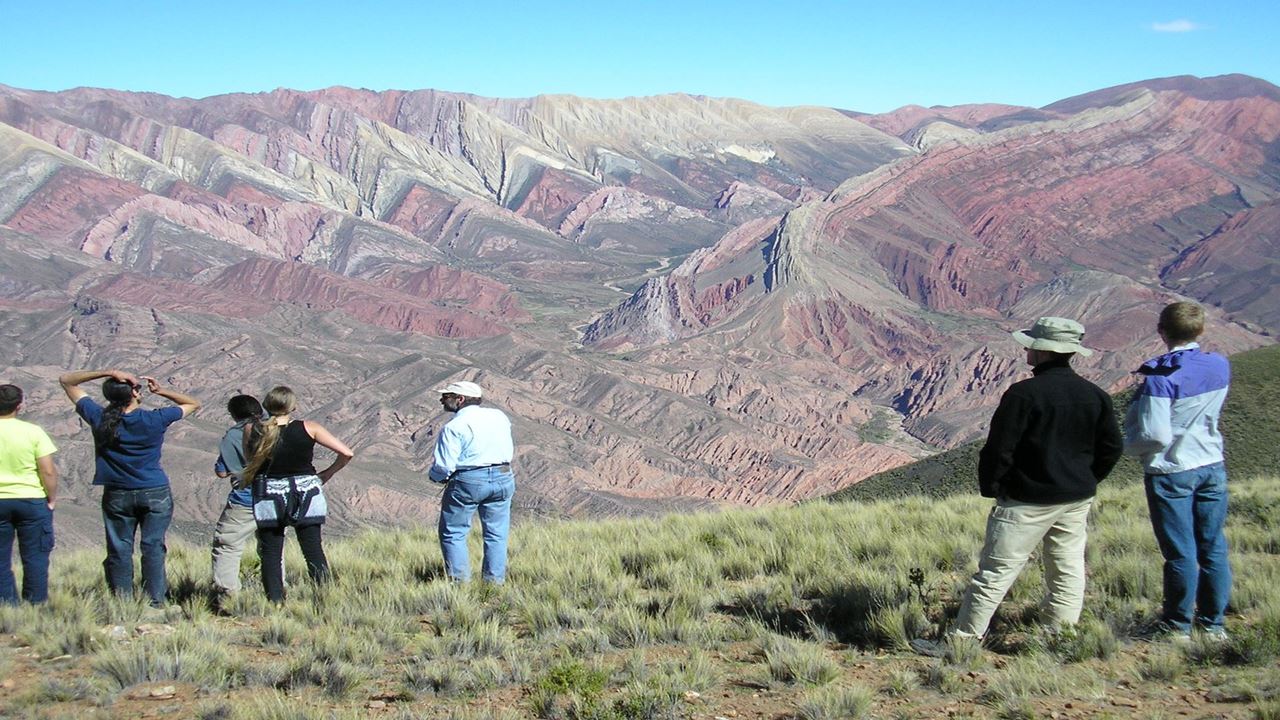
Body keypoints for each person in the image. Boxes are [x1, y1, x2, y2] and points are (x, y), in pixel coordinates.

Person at [912, 317, 1123, 655]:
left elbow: (999, 449)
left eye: (1031, 345)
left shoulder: (1024, 395)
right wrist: (1085, 479)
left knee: (995, 572)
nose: (1027, 348)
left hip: (1027, 499)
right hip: (1076, 499)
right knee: (1067, 568)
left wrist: (995, 487)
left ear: (1041, 352)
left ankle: (962, 643)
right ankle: (1061, 639)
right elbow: (1112, 448)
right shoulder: (1095, 396)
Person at [1123, 301, 1232, 641]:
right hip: (1212, 465)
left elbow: (1156, 435)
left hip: (1172, 471)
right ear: (1200, 330)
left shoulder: (1160, 375)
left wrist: (1126, 447)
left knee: (1180, 551)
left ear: (1162, 331)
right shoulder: (1219, 365)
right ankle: (1213, 624)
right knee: (1213, 546)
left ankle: (1177, 625)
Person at [59, 369, 199, 608]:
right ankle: (155, 601)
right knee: (153, 546)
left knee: (119, 547)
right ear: (135, 393)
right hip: (154, 491)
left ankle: (122, 602)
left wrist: (108, 372)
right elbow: (193, 403)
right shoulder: (155, 419)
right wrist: (161, 390)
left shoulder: (99, 417)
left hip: (117, 493)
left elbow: (66, 381)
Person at [240, 386, 353, 603]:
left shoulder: (251, 430)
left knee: (271, 552)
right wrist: (327, 473)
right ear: (293, 406)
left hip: (269, 493)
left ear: (266, 405)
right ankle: (325, 599)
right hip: (307, 493)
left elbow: (249, 460)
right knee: (312, 550)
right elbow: (347, 453)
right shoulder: (309, 428)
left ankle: (275, 603)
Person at [428, 380, 516, 583]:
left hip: (469, 480)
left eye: (447, 396)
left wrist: (435, 477)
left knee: (453, 533)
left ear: (460, 400)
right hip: (503, 476)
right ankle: (494, 584)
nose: (442, 399)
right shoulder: (498, 416)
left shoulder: (453, 427)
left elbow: (444, 466)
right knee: (496, 533)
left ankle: (460, 585)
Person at [0, 384, 59, 604]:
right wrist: (51, 498)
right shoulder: (33, 432)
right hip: (31, 499)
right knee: (36, 557)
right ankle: (35, 606)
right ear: (20, 405)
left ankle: (7, 607)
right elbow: (48, 470)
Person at [210, 394, 266, 599]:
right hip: (276, 498)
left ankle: (227, 595)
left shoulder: (233, 436)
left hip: (246, 499)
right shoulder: (275, 430)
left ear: (234, 415)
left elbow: (222, 472)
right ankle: (277, 590)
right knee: (272, 547)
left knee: (227, 545)